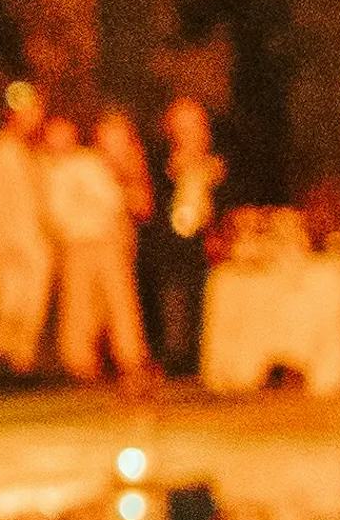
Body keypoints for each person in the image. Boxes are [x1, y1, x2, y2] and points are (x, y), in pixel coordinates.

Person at [43, 103, 148, 385]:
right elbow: (55, 211)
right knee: (78, 304)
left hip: (105, 239)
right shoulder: (49, 169)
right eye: (53, 135)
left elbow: (111, 197)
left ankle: (131, 358)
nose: (59, 140)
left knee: (119, 300)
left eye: (63, 134)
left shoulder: (88, 161)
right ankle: (78, 361)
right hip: (76, 243)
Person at [0, 80, 54, 377]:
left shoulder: (33, 153)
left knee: (32, 302)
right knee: (9, 301)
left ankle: (21, 363)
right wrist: (5, 241)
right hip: (8, 240)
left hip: (34, 239)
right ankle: (1, 360)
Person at [148, 90, 225, 380]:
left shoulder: (216, 164)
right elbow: (153, 202)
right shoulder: (161, 161)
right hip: (172, 249)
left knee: (211, 303)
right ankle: (177, 359)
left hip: (210, 246)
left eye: (194, 124)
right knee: (175, 303)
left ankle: (208, 358)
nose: (189, 131)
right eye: (182, 125)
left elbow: (227, 200)